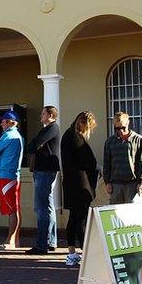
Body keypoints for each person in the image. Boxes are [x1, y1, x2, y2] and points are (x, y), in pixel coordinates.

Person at [61, 111, 98, 267]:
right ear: (84, 123)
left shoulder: (67, 135)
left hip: (70, 182)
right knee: (82, 219)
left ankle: (71, 253)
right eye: (88, 127)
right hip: (80, 183)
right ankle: (85, 253)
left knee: (74, 218)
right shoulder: (76, 138)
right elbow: (88, 161)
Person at [26, 105, 62, 255]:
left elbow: (33, 145)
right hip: (45, 171)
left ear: (50, 115)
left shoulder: (51, 128)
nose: (40, 116)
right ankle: (50, 241)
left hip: (45, 171)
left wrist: (35, 145)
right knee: (47, 206)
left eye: (43, 113)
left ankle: (42, 244)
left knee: (41, 208)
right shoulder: (49, 128)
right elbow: (34, 146)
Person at [0, 110, 25, 250]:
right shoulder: (17, 136)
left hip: (6, 175)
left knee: (11, 209)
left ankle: (10, 241)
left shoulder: (8, 135)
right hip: (12, 175)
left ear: (11, 122)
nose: (1, 123)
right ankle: (15, 240)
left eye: (3, 121)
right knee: (15, 208)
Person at [102, 111, 142, 204]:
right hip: (116, 184)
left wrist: (141, 182)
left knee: (133, 213)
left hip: (133, 184)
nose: (121, 130)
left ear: (128, 123)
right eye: (117, 128)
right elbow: (106, 163)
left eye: (123, 127)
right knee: (116, 213)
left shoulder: (138, 139)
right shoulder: (110, 142)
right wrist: (107, 182)